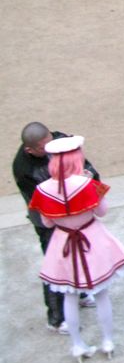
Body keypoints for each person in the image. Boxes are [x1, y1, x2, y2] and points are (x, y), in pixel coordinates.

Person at [29, 136, 124, 362]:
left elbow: (47, 223)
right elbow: (102, 212)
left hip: (63, 242)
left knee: (69, 296)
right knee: (102, 294)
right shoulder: (88, 184)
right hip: (92, 239)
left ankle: (77, 345)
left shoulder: (42, 190)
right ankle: (108, 341)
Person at [14, 123, 102, 333]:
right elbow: (43, 201)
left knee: (78, 256)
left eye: (50, 142)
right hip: (49, 220)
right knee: (55, 267)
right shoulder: (24, 169)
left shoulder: (60, 141)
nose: (50, 149)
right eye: (43, 148)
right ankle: (56, 318)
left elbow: (86, 166)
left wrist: (91, 183)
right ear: (30, 150)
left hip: (72, 213)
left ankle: (80, 293)